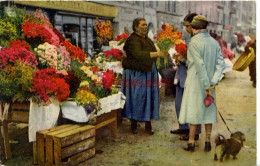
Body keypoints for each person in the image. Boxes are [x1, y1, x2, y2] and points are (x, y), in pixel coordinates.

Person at [178, 15, 225, 152]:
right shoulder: (214, 42)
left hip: (196, 82)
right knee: (208, 111)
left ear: (194, 28)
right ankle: (207, 142)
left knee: (195, 111)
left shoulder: (193, 42)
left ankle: (191, 142)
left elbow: (199, 65)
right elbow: (220, 64)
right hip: (210, 83)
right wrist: (213, 82)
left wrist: (205, 85)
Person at [121, 18, 168, 135]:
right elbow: (138, 55)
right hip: (138, 73)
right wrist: (158, 53)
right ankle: (134, 122)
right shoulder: (132, 39)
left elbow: (150, 52)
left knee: (149, 98)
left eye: (146, 25)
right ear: (136, 27)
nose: (145, 27)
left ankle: (148, 123)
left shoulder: (147, 39)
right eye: (142, 25)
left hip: (148, 72)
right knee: (137, 97)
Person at [170, 13, 201, 141]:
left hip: (191, 77)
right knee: (179, 104)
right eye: (185, 26)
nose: (186, 28)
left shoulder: (199, 39)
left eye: (188, 26)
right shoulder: (188, 37)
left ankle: (194, 133)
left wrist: (182, 59)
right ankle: (183, 127)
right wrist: (179, 58)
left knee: (191, 106)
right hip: (182, 75)